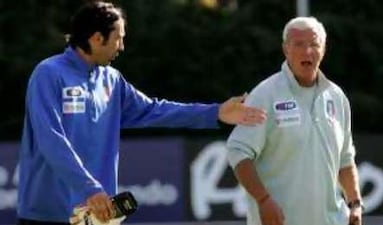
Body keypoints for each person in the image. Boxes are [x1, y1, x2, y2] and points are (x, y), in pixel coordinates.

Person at [16, 1, 266, 225]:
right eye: (118, 38)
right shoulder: (48, 74)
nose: (122, 47)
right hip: (47, 214)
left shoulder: (112, 80)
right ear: (96, 38)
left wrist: (215, 112)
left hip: (97, 216)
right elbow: (50, 138)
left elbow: (155, 110)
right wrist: (89, 188)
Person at [226, 17, 363, 225]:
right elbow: (238, 151)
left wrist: (355, 204)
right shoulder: (265, 94)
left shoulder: (337, 97)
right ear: (285, 50)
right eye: (299, 44)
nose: (307, 51)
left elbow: (345, 160)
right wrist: (263, 200)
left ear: (323, 50)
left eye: (314, 44)